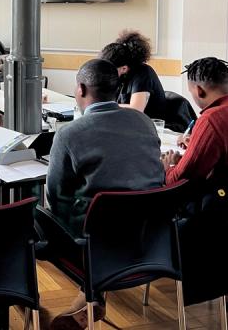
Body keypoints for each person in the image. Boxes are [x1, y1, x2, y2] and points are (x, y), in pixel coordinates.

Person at [45, 58, 165, 330]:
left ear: (81, 89)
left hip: (99, 241)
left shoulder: (69, 134)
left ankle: (87, 292)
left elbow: (56, 195)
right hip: (153, 239)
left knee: (40, 216)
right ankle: (91, 295)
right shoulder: (144, 122)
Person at [100, 30, 166, 120]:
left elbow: (136, 109)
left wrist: (104, 105)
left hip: (149, 126)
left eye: (110, 69)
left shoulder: (143, 73)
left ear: (124, 68)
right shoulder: (118, 76)